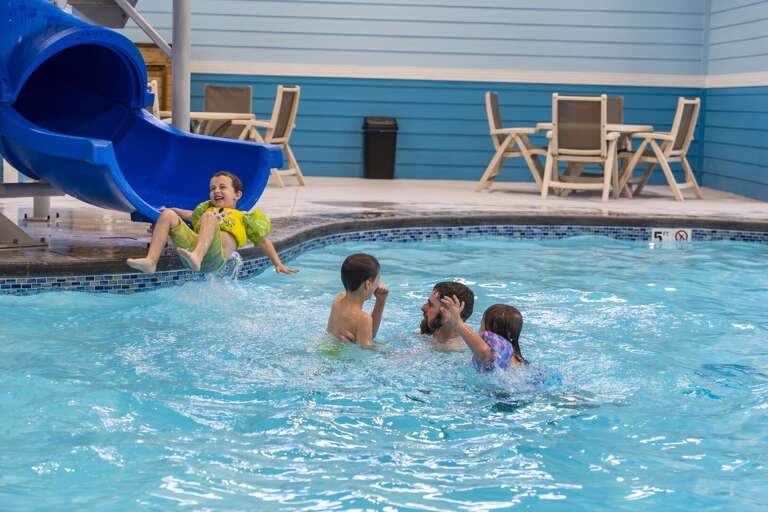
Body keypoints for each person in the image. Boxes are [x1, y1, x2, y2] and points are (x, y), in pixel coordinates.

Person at [126, 171, 297, 275]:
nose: (216, 191)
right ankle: (151, 261)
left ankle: (198, 256)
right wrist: (171, 211)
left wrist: (278, 264)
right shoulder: (205, 210)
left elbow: (264, 241)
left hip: (214, 258)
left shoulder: (245, 217)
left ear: (237, 194)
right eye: (212, 188)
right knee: (169, 214)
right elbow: (190, 214)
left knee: (210, 216)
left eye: (222, 187)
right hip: (192, 250)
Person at [440, 298, 528, 372]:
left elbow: (486, 353)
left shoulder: (490, 338)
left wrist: (458, 323)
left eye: (482, 322)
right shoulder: (518, 359)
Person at [326, 253, 388, 348]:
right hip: (343, 359)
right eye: (377, 280)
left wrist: (381, 300)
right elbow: (366, 350)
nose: (379, 284)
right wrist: (386, 352)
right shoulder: (363, 319)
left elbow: (369, 334)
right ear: (368, 284)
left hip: (328, 349)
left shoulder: (338, 299)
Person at [420, 281, 475, 351]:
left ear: (450, 313)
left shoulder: (455, 350)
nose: (423, 307)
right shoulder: (432, 333)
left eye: (430, 305)